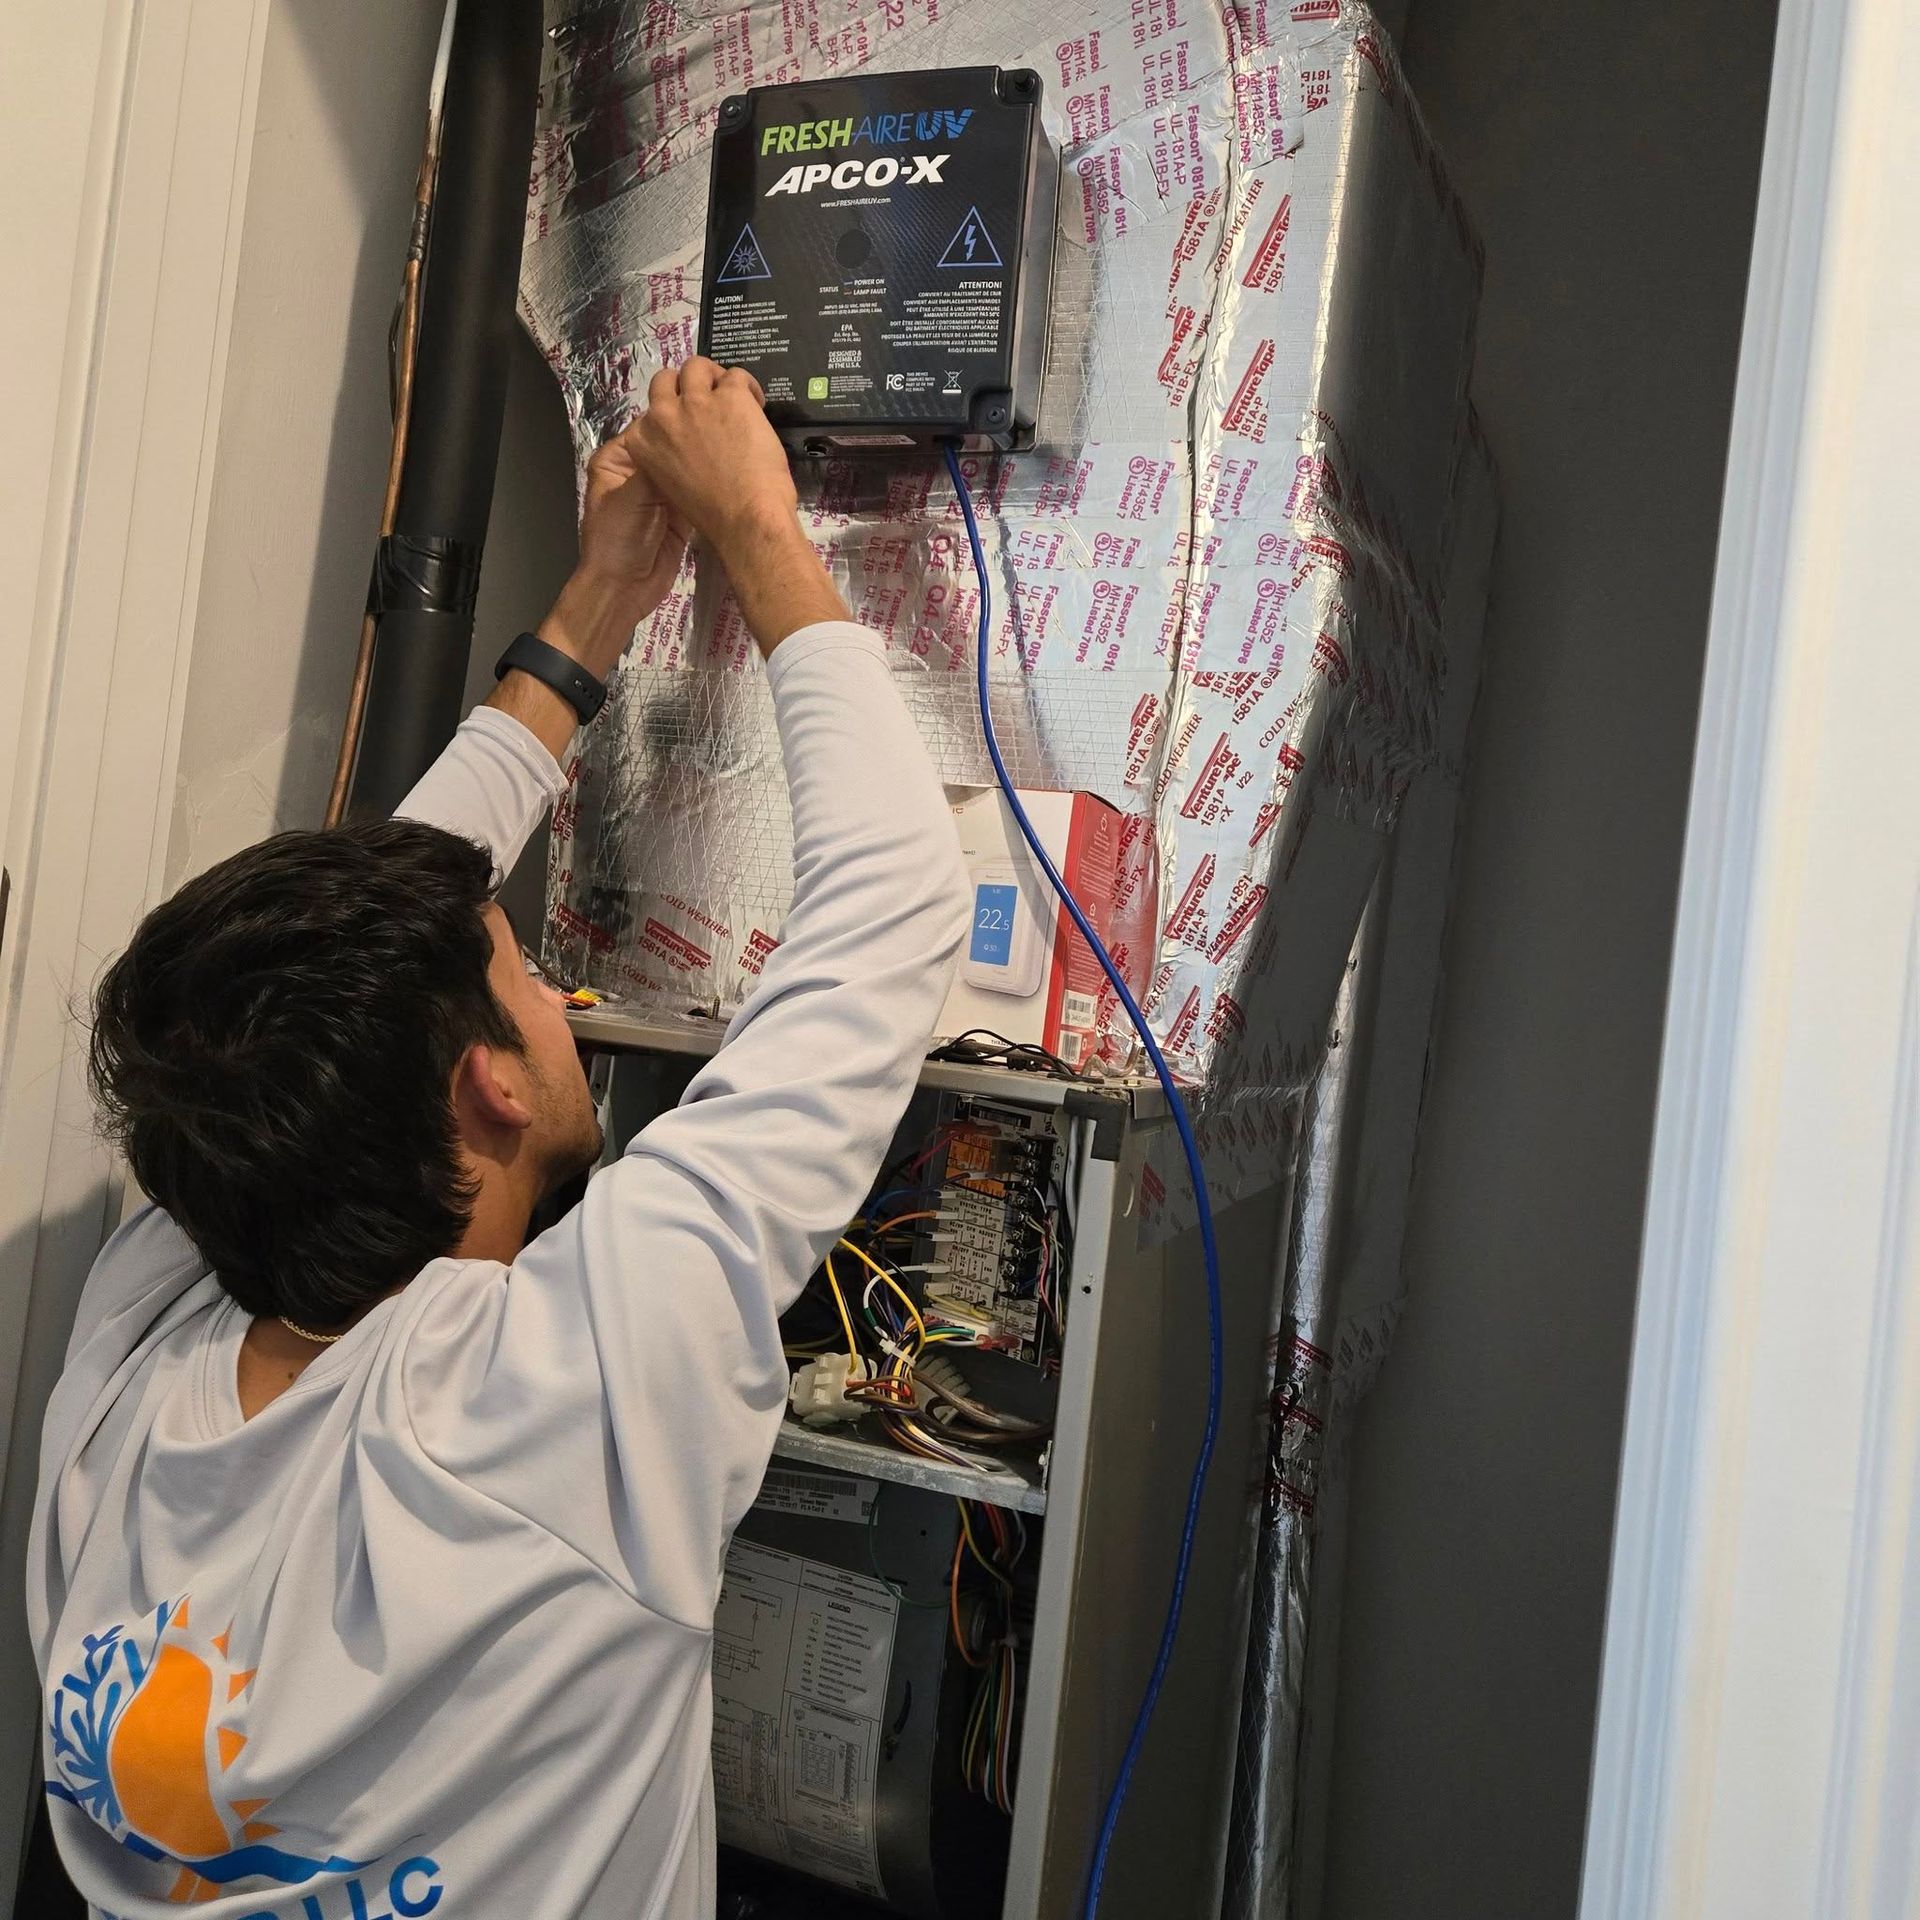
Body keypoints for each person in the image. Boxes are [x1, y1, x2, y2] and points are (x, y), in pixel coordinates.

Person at [27, 359, 972, 1917]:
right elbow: (894, 918)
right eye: (532, 975)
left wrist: (601, 598)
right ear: (494, 1088)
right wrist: (757, 528)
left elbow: (385, 915)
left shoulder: (136, 1344)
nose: (556, 991)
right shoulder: (563, 1397)